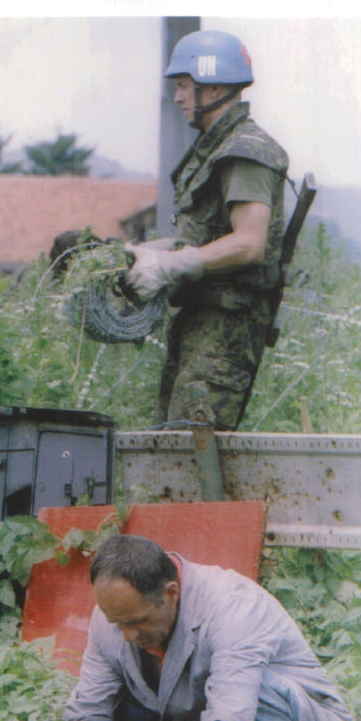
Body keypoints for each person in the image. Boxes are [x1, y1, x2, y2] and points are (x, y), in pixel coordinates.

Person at [64, 535, 357, 721]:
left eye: (137, 621)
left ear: (171, 593)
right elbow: (89, 715)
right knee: (118, 699)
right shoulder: (112, 616)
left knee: (253, 692)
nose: (127, 634)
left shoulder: (232, 606)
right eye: (118, 623)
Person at [125, 29, 289, 431]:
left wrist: (168, 266)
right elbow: (203, 236)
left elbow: (249, 243)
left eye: (184, 86)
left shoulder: (245, 150)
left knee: (194, 463)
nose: (177, 97)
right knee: (175, 454)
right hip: (203, 327)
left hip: (225, 333)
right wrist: (148, 253)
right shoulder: (218, 148)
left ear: (213, 85)